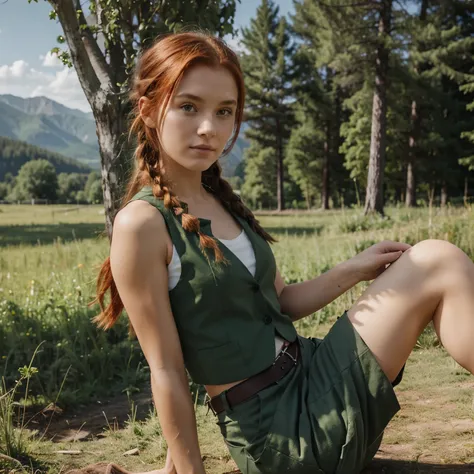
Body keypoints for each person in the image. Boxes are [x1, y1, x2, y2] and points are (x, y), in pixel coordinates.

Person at [92, 31, 474, 474]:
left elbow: (283, 302)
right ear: (148, 109)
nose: (209, 128)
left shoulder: (221, 201)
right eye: (188, 107)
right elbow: (168, 371)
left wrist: (355, 268)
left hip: (313, 373)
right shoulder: (141, 225)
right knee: (439, 260)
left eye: (224, 112)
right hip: (283, 434)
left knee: (434, 260)